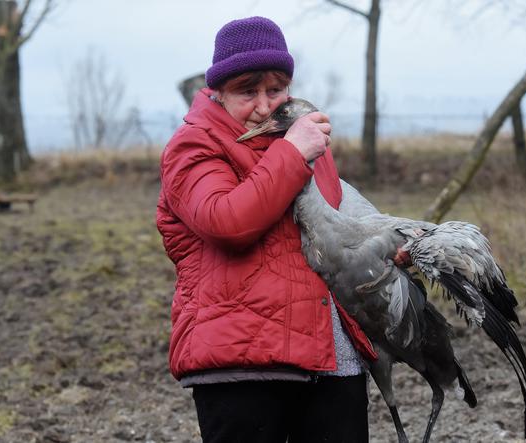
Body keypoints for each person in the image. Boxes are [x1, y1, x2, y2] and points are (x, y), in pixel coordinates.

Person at [156, 16, 378, 443]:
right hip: (243, 363)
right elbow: (228, 221)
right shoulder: (194, 146)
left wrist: (388, 249)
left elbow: (335, 225)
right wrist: (294, 152)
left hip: (331, 355)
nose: (264, 105)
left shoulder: (304, 140)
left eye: (275, 89)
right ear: (217, 92)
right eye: (246, 91)